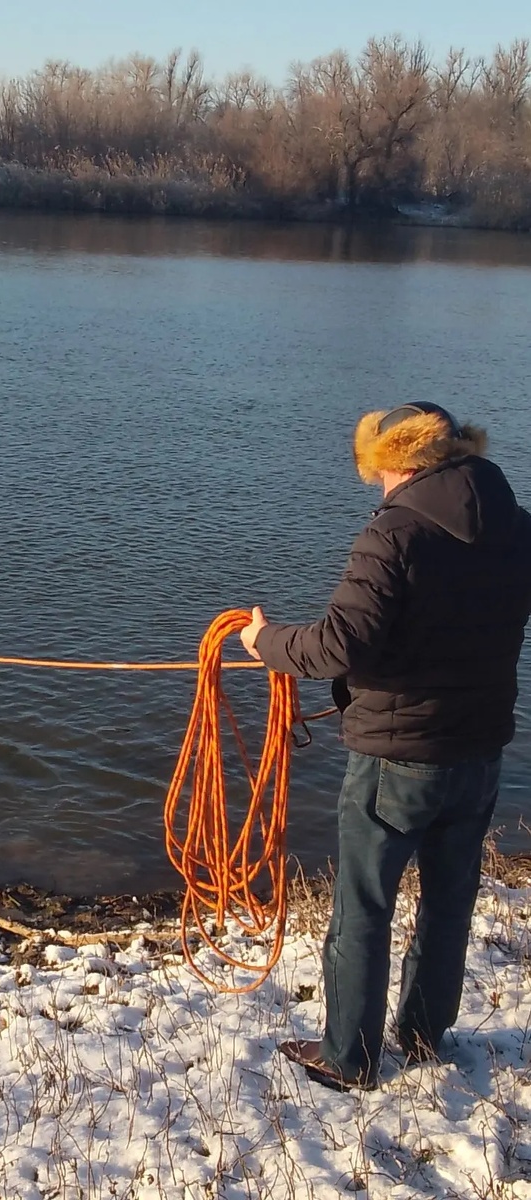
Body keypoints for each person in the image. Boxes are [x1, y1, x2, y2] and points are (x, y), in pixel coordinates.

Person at [239, 402, 531, 1091]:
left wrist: (264, 644)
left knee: (364, 908)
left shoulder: (393, 533)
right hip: (479, 752)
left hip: (396, 757)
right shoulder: (516, 526)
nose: (375, 483)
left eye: (376, 468)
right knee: (450, 898)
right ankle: (425, 1035)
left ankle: (349, 1057)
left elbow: (338, 644)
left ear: (395, 460)